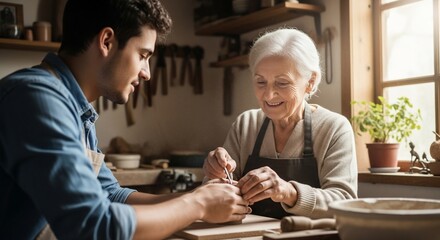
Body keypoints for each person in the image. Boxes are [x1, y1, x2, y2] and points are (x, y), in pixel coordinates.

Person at [0, 0, 250, 239]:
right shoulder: (37, 99)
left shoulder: (75, 107)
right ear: (107, 41)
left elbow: (110, 195)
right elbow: (93, 226)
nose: (147, 73)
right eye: (143, 55)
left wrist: (204, 195)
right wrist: (198, 205)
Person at [203, 28, 358, 219]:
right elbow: (215, 195)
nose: (268, 95)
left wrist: (288, 192)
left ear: (310, 81)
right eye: (261, 82)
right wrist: (215, 175)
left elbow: (344, 201)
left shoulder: (334, 128)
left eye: (282, 83)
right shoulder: (246, 124)